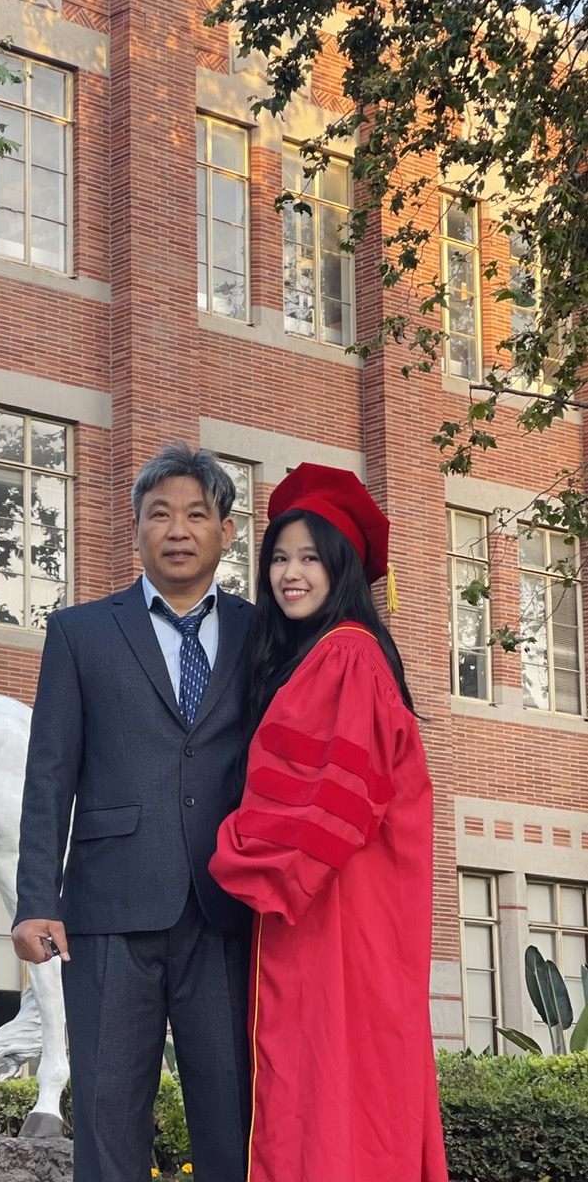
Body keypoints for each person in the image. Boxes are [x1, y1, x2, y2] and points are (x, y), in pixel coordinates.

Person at [12, 441, 253, 1182]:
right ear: (135, 531)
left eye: (195, 515)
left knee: (233, 1114)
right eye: (159, 515)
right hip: (108, 910)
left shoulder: (262, 633)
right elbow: (48, 773)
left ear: (225, 532)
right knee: (109, 1113)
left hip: (227, 910)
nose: (176, 530)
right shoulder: (80, 633)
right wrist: (33, 901)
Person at [209, 463, 449, 1182]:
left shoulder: (343, 656)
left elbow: (317, 812)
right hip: (351, 920)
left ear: (341, 567)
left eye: (310, 557)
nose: (289, 573)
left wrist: (221, 850)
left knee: (325, 1094)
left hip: (333, 921)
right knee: (357, 1090)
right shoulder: (327, 655)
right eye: (279, 557)